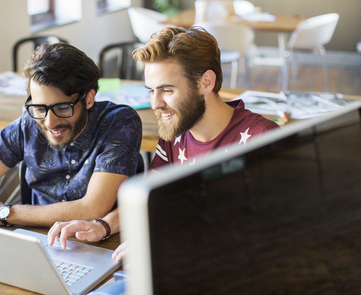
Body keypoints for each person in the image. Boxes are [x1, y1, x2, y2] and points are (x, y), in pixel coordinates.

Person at [47, 26, 280, 261]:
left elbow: (265, 234)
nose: (156, 104)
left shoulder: (261, 139)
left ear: (206, 82)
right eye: (151, 90)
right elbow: (154, 201)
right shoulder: (175, 130)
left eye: (167, 90)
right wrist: (103, 226)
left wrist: (165, 242)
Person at [0, 43, 142, 227]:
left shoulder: (119, 123)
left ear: (89, 99)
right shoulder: (26, 125)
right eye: (40, 108)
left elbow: (92, 209)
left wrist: (6, 213)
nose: (50, 122)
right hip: (38, 240)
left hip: (103, 243)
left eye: (63, 108)